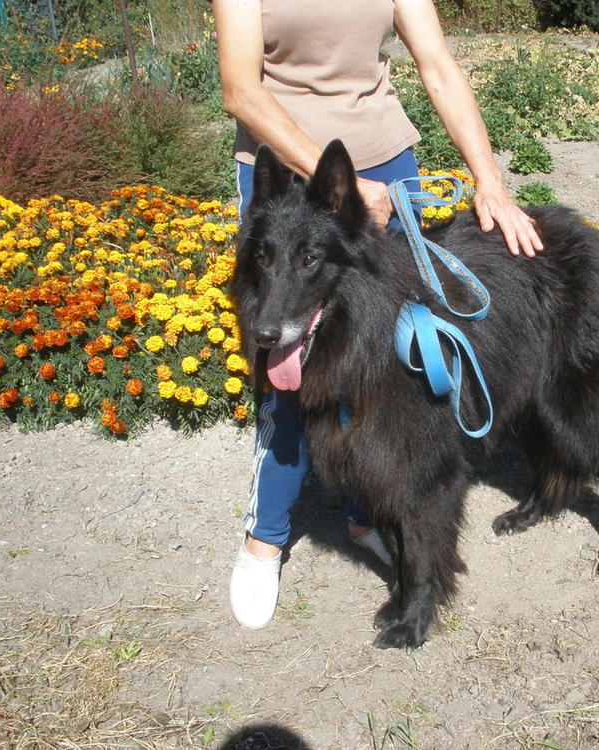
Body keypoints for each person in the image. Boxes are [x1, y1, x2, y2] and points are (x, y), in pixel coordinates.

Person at [212, 0, 543, 629]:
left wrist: (489, 177)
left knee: (397, 368)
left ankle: (373, 511)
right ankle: (265, 538)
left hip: (387, 175)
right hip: (285, 181)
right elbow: (240, 89)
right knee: (286, 362)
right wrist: (335, 183)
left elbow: (436, 63)